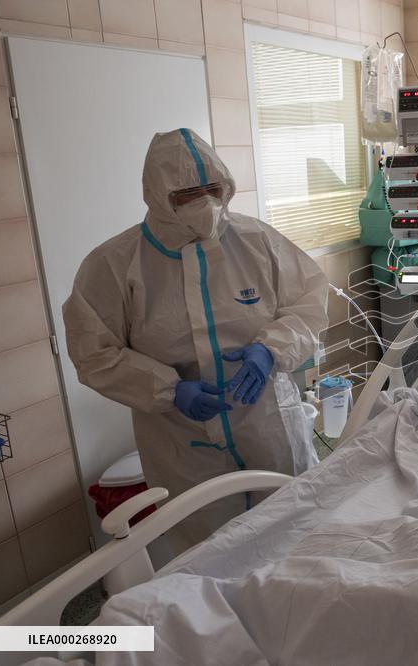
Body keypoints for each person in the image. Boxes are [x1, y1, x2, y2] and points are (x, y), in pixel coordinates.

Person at [63, 128, 329, 551]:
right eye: (186, 193)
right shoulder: (114, 266)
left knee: (293, 533)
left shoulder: (257, 241)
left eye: (212, 188)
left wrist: (270, 350)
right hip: (181, 443)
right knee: (207, 554)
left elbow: (310, 303)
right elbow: (92, 352)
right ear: (157, 195)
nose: (204, 201)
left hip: (267, 425)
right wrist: (169, 389)